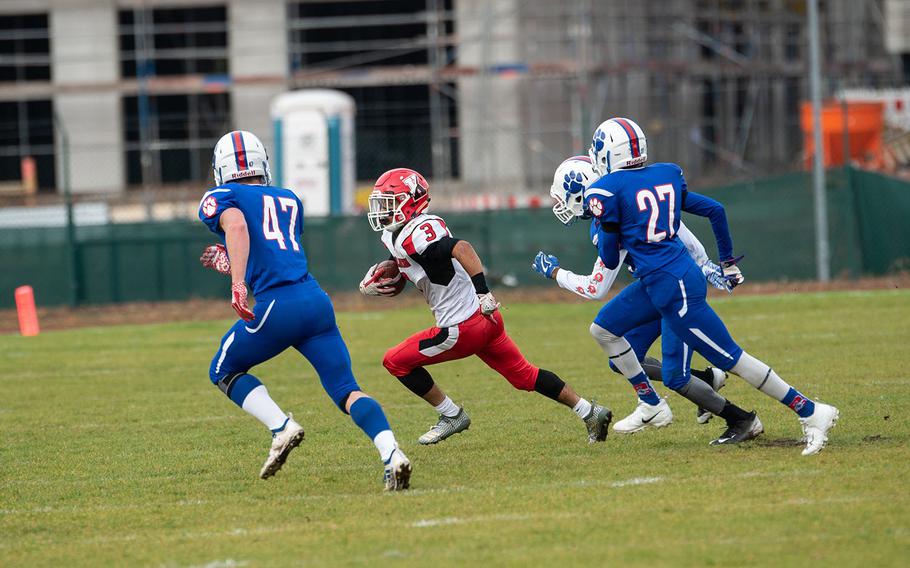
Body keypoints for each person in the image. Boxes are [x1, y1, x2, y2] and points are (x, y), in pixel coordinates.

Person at [565, 117, 838, 455]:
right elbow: (715, 210)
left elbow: (608, 257)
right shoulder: (665, 173)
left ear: (609, 153)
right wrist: (726, 262)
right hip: (663, 280)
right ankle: (650, 402)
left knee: (732, 358)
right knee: (604, 330)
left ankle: (810, 410)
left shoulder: (607, 191)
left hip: (672, 286)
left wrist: (606, 224)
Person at [198, 130, 411, 489]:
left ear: (221, 168)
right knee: (346, 389)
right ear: (260, 162)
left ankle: (281, 427)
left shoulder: (221, 196)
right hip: (315, 301)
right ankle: (392, 453)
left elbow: (236, 225)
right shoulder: (289, 198)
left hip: (279, 305)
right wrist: (234, 263)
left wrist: (237, 283)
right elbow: (273, 249)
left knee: (222, 368)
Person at [359, 167, 612, 445]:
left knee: (394, 361)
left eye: (389, 202)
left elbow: (462, 248)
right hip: (487, 321)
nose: (382, 210)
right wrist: (389, 274)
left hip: (461, 327)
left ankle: (452, 415)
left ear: (412, 200)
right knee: (524, 375)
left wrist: (483, 292)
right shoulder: (400, 234)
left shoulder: (418, 233)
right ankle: (589, 411)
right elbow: (425, 268)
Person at [535, 155, 761, 444]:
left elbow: (596, 287)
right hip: (657, 284)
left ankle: (740, 418)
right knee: (619, 355)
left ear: (581, 191)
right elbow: (683, 233)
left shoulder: (611, 213)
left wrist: (555, 272)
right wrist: (703, 263)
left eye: (565, 196)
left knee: (675, 377)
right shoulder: (629, 197)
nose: (563, 204)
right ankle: (694, 385)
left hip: (674, 286)